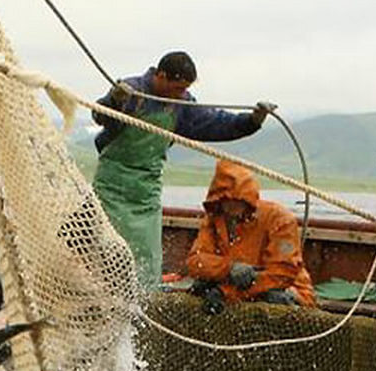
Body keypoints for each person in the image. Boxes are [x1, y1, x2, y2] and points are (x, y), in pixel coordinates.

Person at [92, 51, 272, 289]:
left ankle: (143, 295)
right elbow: (100, 116)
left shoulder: (181, 104)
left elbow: (215, 123)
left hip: (147, 187)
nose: (182, 94)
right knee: (107, 242)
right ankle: (103, 290)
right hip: (112, 182)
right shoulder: (131, 90)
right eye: (178, 88)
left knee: (146, 251)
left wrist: (252, 121)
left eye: (185, 89)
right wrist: (113, 101)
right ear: (161, 75)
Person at [186, 160, 316, 314]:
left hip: (282, 290)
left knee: (274, 297)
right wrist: (228, 268)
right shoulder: (214, 219)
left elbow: (282, 274)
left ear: (248, 199)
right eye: (225, 200)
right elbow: (196, 261)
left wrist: (225, 291)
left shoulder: (280, 219)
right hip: (233, 289)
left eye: (238, 200)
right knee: (201, 287)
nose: (231, 206)